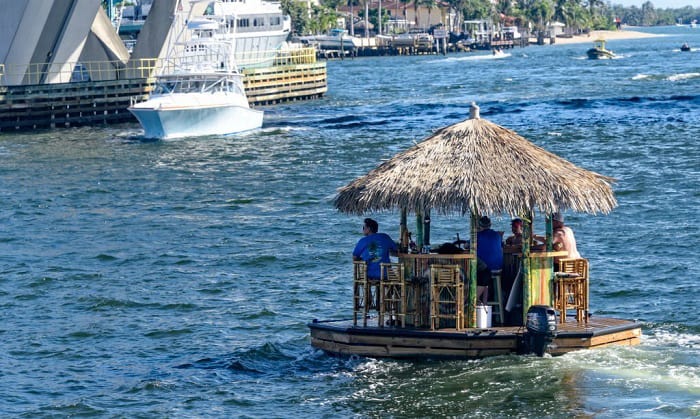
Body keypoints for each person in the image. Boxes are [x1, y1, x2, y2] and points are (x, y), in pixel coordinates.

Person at [475, 216, 503, 304]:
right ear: (490, 225)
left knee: (473, 273)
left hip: (485, 269)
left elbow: (467, 246)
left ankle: (474, 299)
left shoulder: (477, 236)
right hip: (498, 268)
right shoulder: (498, 235)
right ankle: (484, 302)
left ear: (479, 225)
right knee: (484, 276)